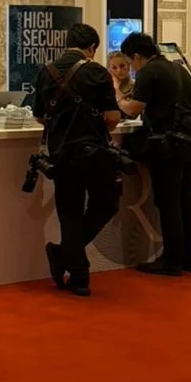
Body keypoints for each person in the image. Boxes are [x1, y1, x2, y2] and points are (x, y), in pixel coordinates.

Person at [31, 24, 122, 297]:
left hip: (61, 154)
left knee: (69, 213)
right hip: (94, 154)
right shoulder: (97, 72)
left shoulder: (46, 72)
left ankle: (78, 276)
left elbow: (38, 116)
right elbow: (113, 118)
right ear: (92, 48)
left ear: (67, 43)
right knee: (106, 204)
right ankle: (65, 259)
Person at [115, 32, 191, 276]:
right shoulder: (180, 70)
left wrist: (119, 98)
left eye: (130, 63)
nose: (131, 68)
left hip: (168, 146)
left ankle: (172, 260)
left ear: (136, 56)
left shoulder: (148, 72)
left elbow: (133, 110)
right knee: (186, 199)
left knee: (168, 202)